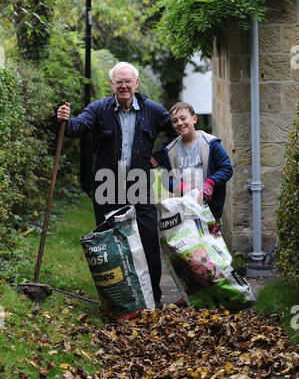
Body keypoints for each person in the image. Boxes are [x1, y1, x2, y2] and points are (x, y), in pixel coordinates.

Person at [56, 62, 177, 307]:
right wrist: (64, 121)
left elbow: (175, 132)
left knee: (147, 239)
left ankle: (152, 299)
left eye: (128, 81)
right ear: (112, 84)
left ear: (136, 84)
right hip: (106, 183)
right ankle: (117, 302)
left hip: (139, 181)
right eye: (119, 81)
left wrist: (160, 157)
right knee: (108, 243)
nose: (123, 86)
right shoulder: (99, 109)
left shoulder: (152, 110)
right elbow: (78, 127)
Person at [161, 101, 233, 226]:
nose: (180, 123)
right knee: (190, 245)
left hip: (210, 211)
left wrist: (210, 183)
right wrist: (183, 187)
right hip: (184, 211)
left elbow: (226, 169)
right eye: (175, 121)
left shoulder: (210, 144)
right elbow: (166, 179)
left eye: (183, 118)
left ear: (194, 119)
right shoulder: (170, 151)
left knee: (212, 244)